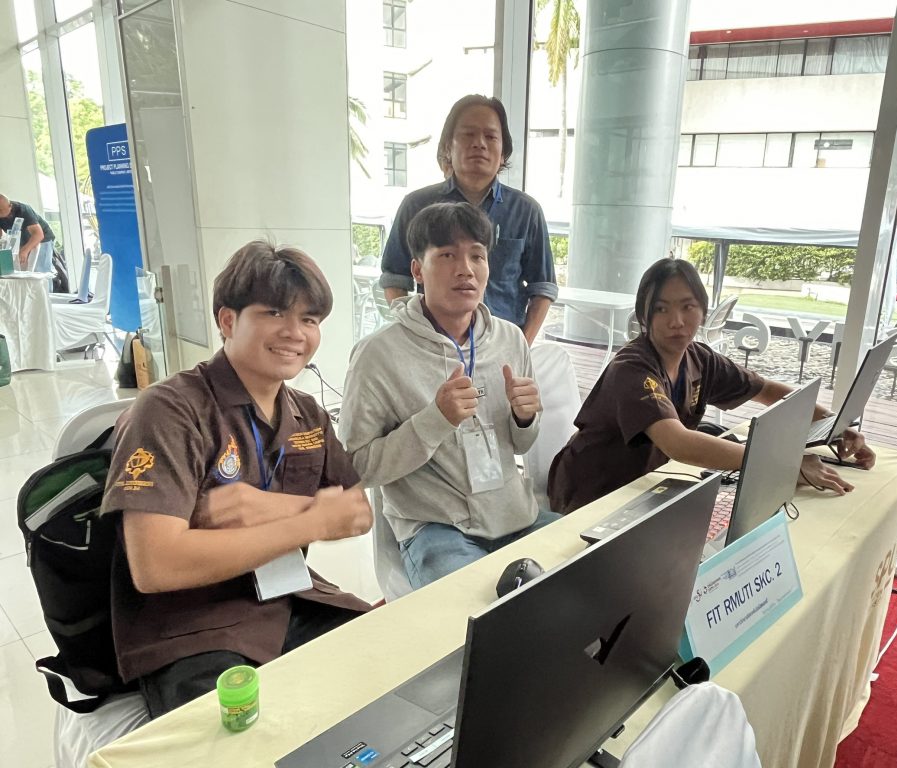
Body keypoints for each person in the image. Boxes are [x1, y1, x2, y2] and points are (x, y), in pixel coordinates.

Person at [100, 241, 374, 718]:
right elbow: (156, 564)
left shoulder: (306, 413)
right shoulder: (170, 411)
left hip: (289, 599)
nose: (295, 333)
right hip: (193, 628)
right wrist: (310, 521)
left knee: (390, 676)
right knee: (247, 739)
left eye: (310, 319)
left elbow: (357, 514)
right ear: (227, 321)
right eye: (274, 312)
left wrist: (269, 507)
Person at [547, 258, 877, 514]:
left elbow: (768, 391)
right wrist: (782, 465)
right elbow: (679, 443)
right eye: (661, 309)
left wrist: (833, 426)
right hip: (593, 492)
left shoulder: (700, 358)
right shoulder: (631, 368)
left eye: (687, 306)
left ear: (703, 312)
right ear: (643, 317)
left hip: (646, 485)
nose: (676, 321)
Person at [342, 202, 558, 588]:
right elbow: (356, 468)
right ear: (416, 270)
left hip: (514, 516)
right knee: (475, 612)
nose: (466, 269)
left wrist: (525, 418)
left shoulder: (510, 339)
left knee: (587, 572)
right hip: (435, 527)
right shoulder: (378, 355)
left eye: (477, 255)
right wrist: (435, 420)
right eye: (447, 255)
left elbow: (522, 444)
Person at [380, 95, 557, 345]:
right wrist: (414, 335)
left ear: (503, 153)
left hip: (501, 347)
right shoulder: (416, 205)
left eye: (490, 136)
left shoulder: (526, 211)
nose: (479, 144)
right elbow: (394, 277)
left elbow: (543, 286)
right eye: (468, 135)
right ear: (447, 148)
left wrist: (521, 346)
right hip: (433, 346)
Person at [0, 194, 56, 270]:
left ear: (10, 206)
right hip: (23, 240)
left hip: (42, 239)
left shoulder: (23, 210)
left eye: (1, 210)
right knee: (23, 269)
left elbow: (38, 235)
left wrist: (25, 250)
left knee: (40, 270)